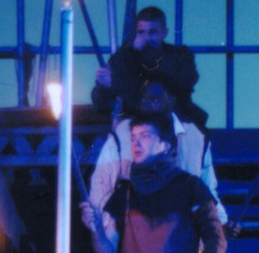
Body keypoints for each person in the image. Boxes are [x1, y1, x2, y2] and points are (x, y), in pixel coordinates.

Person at [81, 111, 226, 253]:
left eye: (145, 136)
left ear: (166, 144)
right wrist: (97, 230)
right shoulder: (124, 194)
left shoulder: (191, 187)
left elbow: (216, 241)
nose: (136, 143)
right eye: (133, 137)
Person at [89, 75, 228, 224]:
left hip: (182, 228)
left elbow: (208, 188)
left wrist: (222, 223)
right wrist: (104, 227)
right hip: (134, 227)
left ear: (172, 101)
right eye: (143, 101)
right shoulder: (122, 133)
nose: (147, 106)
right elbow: (101, 183)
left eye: (155, 100)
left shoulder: (195, 138)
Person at [92, 5, 207, 128]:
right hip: (134, 126)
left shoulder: (180, 55)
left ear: (164, 33)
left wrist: (118, 77)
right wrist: (103, 86)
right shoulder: (122, 58)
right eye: (141, 32)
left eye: (153, 32)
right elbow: (101, 104)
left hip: (174, 123)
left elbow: (181, 81)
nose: (146, 38)